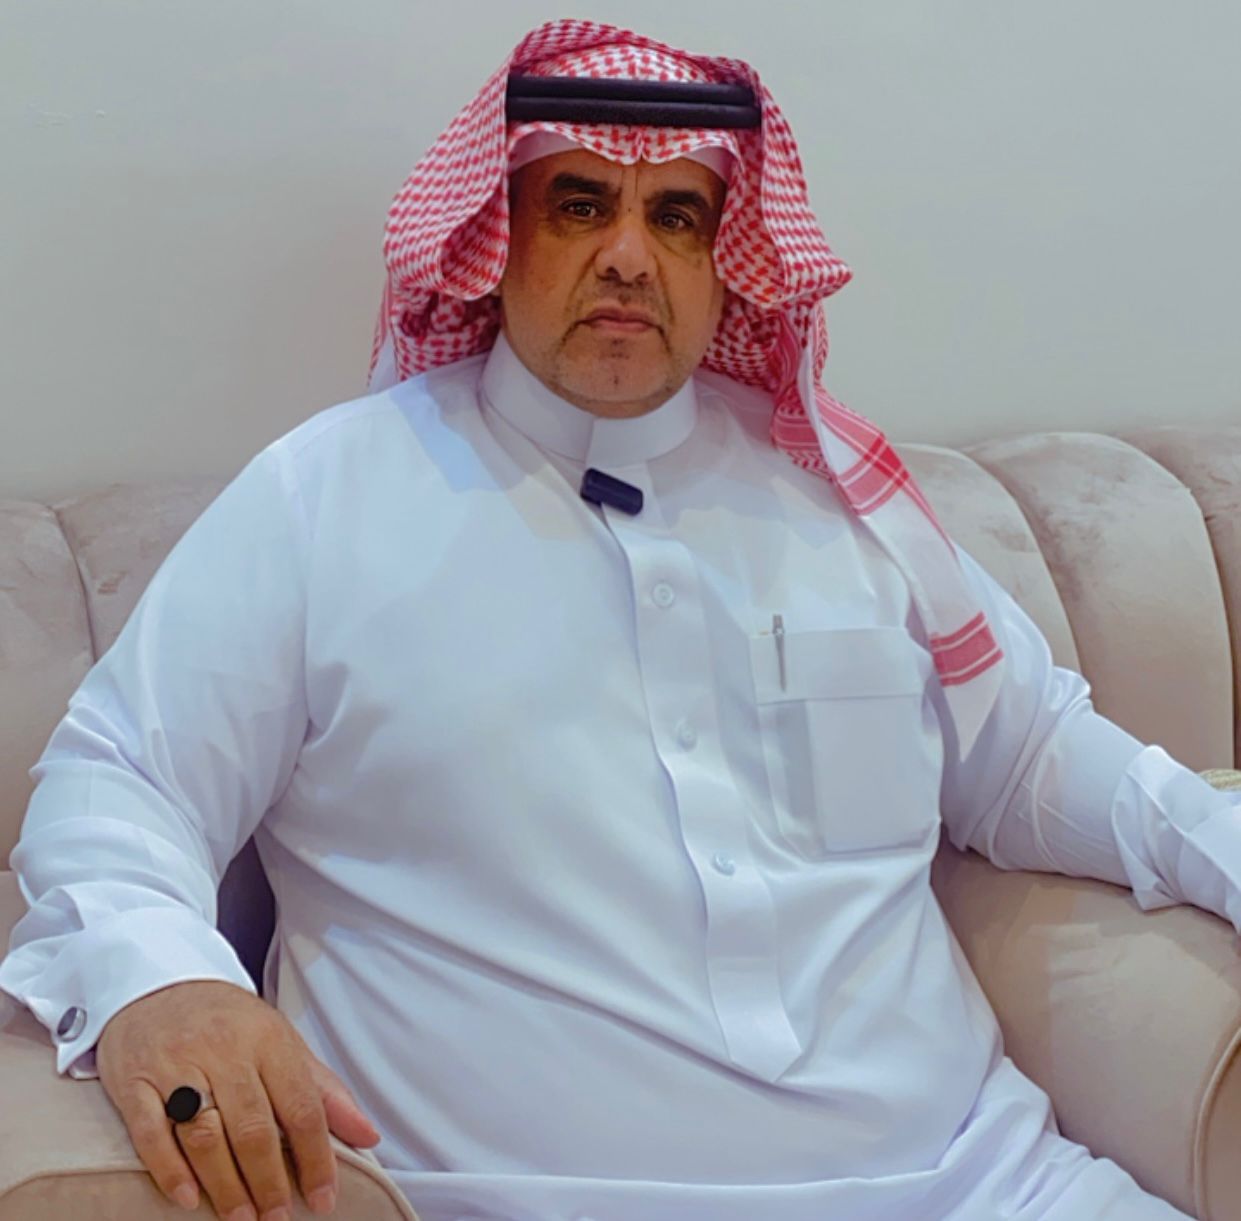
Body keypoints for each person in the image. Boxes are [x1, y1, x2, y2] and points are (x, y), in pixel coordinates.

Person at [0, 18, 1232, 1221]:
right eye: (580, 205)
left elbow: (1027, 759)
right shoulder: (326, 499)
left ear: (723, 260)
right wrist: (158, 983)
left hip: (980, 1182)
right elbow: (121, 780)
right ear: (496, 238)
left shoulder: (837, 497)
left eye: (677, 216)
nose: (630, 256)